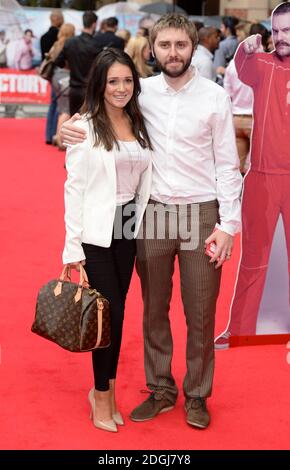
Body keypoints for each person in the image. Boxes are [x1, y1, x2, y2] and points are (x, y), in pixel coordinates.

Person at [60, 14, 242, 429]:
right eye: (165, 45)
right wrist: (69, 128)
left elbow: (229, 165)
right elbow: (101, 117)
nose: (173, 53)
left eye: (181, 45)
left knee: (200, 313)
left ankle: (197, 394)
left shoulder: (215, 97)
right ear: (152, 49)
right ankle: (161, 388)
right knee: (153, 310)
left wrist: (229, 224)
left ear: (193, 47)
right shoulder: (141, 93)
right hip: (151, 214)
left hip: (202, 214)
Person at [62, 48, 153, 433]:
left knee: (118, 313)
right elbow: (74, 189)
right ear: (100, 84)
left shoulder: (140, 119)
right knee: (109, 313)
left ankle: (109, 390)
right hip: (98, 230)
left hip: (129, 226)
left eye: (127, 80)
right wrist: (73, 247)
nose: (121, 88)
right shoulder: (85, 126)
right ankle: (101, 394)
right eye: (112, 81)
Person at [215, 2, 290, 349]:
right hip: (261, 176)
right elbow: (244, 71)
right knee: (253, 260)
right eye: (276, 30)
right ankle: (241, 329)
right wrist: (246, 50)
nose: (280, 37)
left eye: (287, 30)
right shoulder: (262, 63)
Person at [55, 11, 100, 116]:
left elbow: (58, 61)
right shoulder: (96, 45)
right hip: (89, 90)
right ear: (94, 24)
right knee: (89, 122)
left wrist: (71, 66)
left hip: (75, 89)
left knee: (74, 122)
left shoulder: (70, 42)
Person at [40, 9, 64, 145]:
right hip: (60, 73)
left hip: (50, 73)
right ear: (59, 20)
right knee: (59, 104)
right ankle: (55, 133)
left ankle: (48, 135)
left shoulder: (44, 37)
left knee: (53, 103)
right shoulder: (59, 39)